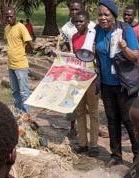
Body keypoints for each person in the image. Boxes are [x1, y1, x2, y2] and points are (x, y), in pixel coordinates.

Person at [95, 0, 139, 167]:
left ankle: (138, 157)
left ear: (114, 16)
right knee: (112, 119)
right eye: (100, 14)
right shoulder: (97, 30)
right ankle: (116, 155)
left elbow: (135, 56)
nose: (102, 18)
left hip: (124, 84)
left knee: (129, 120)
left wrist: (124, 48)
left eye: (106, 14)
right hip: (107, 85)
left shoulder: (126, 30)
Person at [61, 0, 96, 137]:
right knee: (73, 101)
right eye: (72, 10)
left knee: (91, 107)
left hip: (90, 70)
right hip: (74, 68)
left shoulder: (93, 27)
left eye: (77, 10)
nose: (74, 13)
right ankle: (72, 126)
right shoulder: (66, 29)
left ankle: (92, 134)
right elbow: (66, 46)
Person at [72, 11, 100, 157]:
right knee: (80, 112)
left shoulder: (93, 36)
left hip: (92, 79)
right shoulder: (74, 37)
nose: (78, 24)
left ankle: (94, 145)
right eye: (76, 22)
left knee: (94, 113)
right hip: (78, 79)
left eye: (81, 21)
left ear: (88, 22)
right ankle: (83, 143)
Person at [4, 7, 33, 114]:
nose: (9, 18)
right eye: (7, 16)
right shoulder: (6, 28)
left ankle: (27, 115)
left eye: (11, 16)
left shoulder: (21, 27)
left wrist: (24, 53)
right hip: (11, 65)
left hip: (21, 65)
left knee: (24, 92)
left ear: (15, 15)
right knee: (15, 91)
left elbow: (30, 44)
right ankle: (18, 113)